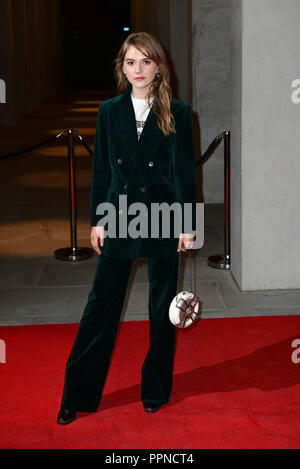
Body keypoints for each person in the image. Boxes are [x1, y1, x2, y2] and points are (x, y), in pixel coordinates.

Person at [57, 32, 198, 425]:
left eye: (146, 62)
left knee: (161, 308)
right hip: (120, 217)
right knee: (100, 306)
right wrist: (98, 221)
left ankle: (154, 389)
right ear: (122, 67)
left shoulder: (179, 113)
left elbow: (186, 175)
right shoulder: (109, 110)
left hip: (164, 217)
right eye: (130, 62)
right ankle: (78, 394)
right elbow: (102, 169)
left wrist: (187, 226)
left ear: (158, 67)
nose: (138, 70)